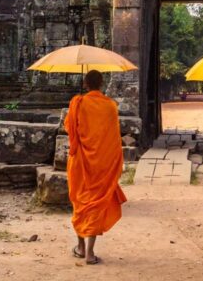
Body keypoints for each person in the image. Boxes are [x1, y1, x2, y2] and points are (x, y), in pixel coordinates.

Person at [64, 69, 127, 265]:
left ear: (85, 83)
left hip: (81, 163)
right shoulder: (110, 106)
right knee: (96, 204)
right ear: (102, 83)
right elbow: (114, 137)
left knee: (81, 202)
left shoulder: (78, 103)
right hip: (103, 163)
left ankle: (81, 247)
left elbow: (69, 128)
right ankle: (90, 252)